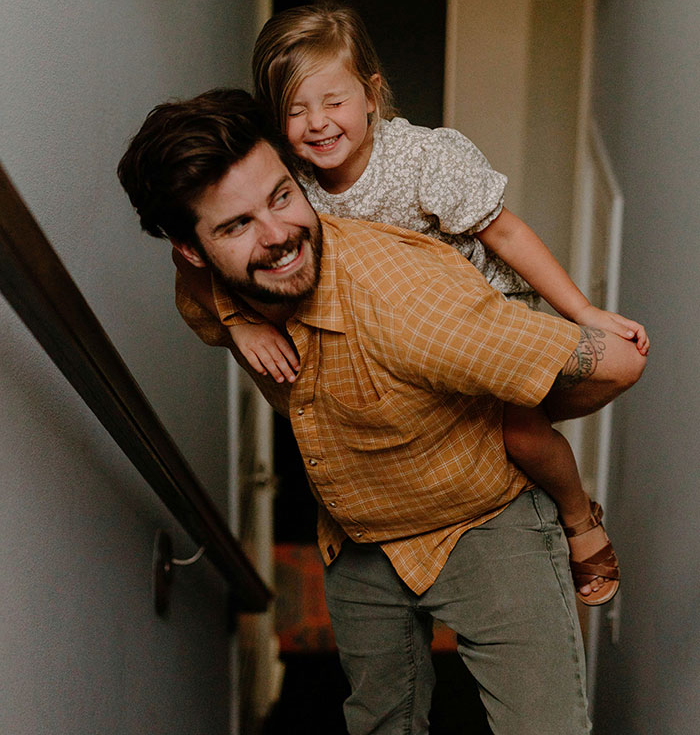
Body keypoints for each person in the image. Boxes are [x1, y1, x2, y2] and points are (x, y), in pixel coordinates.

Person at [117, 89, 646, 734]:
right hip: (360, 544)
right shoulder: (204, 288)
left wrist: (503, 407)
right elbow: (204, 296)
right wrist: (239, 323)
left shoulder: (411, 308)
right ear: (192, 250)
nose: (280, 235)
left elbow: (619, 362)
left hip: (485, 523)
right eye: (237, 225)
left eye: (283, 196)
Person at [176, 5, 649, 606]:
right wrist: (241, 326)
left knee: (520, 435)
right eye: (295, 111)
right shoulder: (287, 184)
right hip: (391, 347)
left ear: (371, 94)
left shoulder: (425, 159)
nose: (317, 124)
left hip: (479, 311)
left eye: (334, 102)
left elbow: (505, 234)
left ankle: (580, 518)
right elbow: (214, 256)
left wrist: (583, 313)